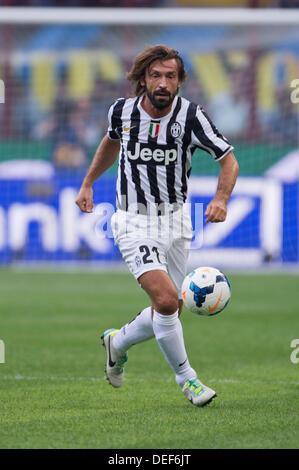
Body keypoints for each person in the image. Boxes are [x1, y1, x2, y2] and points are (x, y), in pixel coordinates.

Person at [76, 45, 239, 407]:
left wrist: (221, 199)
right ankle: (188, 380)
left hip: (177, 221)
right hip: (133, 220)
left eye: (170, 76)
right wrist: (87, 182)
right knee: (166, 300)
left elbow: (229, 161)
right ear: (142, 79)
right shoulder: (122, 111)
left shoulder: (192, 116)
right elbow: (111, 142)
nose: (162, 83)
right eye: (155, 75)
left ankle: (116, 343)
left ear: (180, 81)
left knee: (171, 308)